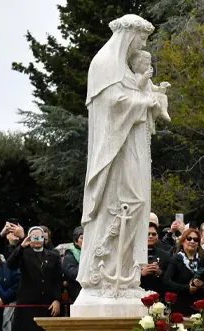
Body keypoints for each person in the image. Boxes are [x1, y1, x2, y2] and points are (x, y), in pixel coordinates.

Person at [78, 15, 158, 294]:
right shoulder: (105, 63)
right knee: (129, 201)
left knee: (135, 203)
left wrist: (149, 96)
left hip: (128, 143)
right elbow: (113, 104)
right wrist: (145, 101)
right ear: (129, 35)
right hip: (114, 150)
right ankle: (101, 273)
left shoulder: (122, 67)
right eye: (142, 38)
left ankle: (122, 275)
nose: (142, 45)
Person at [7, 227, 62, 331]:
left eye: (40, 237)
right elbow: (10, 264)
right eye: (34, 237)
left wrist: (57, 299)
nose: (37, 240)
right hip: (27, 303)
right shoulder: (24, 253)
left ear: (45, 239)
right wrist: (21, 246)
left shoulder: (53, 255)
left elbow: (57, 279)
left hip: (46, 304)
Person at [162, 228, 204, 315]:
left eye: (196, 239)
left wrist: (203, 284)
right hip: (181, 306)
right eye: (189, 238)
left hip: (200, 307)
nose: (192, 241)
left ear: (198, 244)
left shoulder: (203, 260)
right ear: (182, 242)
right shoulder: (176, 260)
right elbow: (166, 281)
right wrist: (186, 288)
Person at [128, 49, 171, 125]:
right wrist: (144, 78)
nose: (149, 67)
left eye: (149, 64)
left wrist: (161, 87)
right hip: (143, 95)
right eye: (146, 64)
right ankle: (152, 119)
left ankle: (163, 111)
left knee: (163, 97)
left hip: (150, 95)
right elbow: (140, 86)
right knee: (157, 105)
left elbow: (153, 88)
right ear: (137, 65)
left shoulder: (148, 79)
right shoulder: (137, 76)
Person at [62, 226, 83, 304]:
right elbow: (72, 273)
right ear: (76, 241)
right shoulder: (70, 254)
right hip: (76, 292)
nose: (85, 240)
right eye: (82, 238)